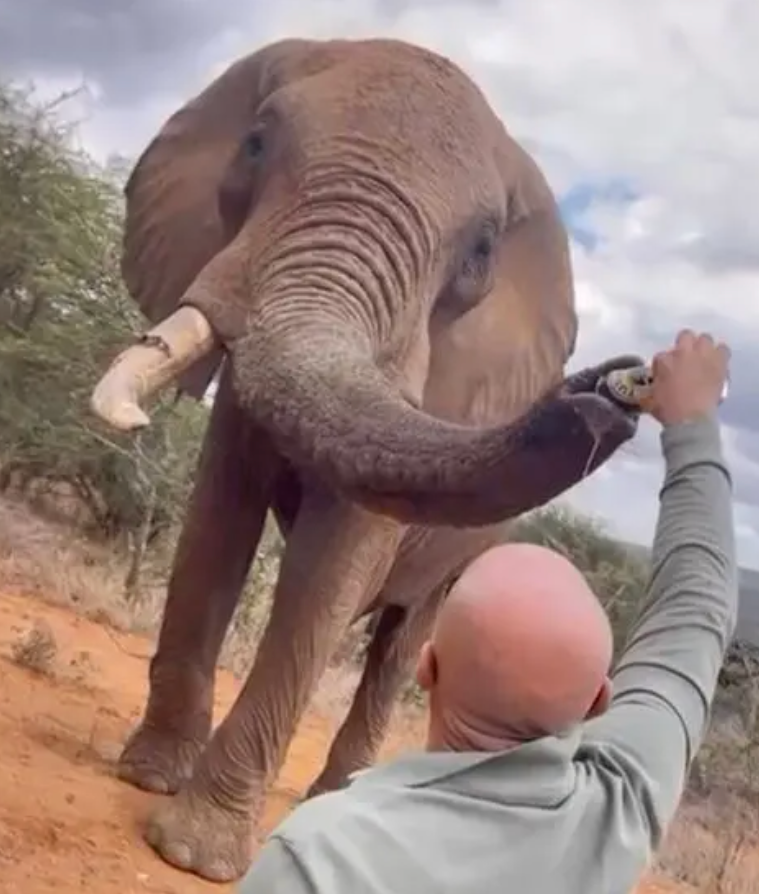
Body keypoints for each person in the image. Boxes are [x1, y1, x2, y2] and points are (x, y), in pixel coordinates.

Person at [239, 329, 735, 894]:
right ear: (599, 701)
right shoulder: (614, 816)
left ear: (426, 666)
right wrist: (694, 426)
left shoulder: (317, 858)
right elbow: (696, 608)